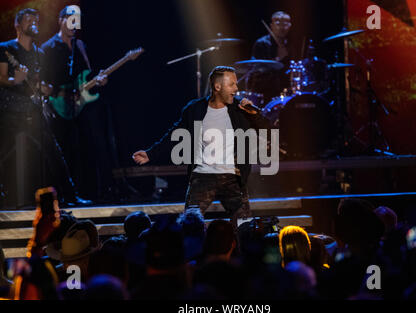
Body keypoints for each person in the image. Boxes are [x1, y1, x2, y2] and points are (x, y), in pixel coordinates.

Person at [133, 66, 270, 230]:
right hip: (203, 176)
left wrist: (255, 115)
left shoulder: (239, 110)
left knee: (244, 226)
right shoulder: (195, 109)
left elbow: (268, 129)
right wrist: (151, 153)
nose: (236, 88)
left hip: (233, 177)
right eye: (232, 84)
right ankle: (193, 252)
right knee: (189, 224)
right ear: (217, 87)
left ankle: (241, 252)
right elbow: (175, 134)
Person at [0, 8, 80, 207]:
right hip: (10, 109)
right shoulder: (6, 48)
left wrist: (45, 87)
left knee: (53, 152)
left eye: (36, 20)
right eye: (28, 20)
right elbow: (2, 78)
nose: (33, 22)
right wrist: (13, 80)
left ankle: (70, 196)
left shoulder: (39, 52)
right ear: (18, 25)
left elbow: (38, 81)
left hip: (33, 110)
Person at [40, 5, 111, 203]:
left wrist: (98, 80)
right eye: (71, 19)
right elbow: (42, 81)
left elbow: (87, 75)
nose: (74, 24)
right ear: (61, 20)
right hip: (58, 106)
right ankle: (62, 195)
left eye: (77, 20)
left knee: (88, 146)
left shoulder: (81, 46)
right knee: (64, 150)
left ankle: (90, 192)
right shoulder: (47, 48)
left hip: (81, 106)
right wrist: (59, 92)